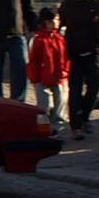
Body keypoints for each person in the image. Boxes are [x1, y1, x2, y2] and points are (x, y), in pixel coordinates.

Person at [59, 0, 99, 140]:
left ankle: (84, 116)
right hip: (74, 52)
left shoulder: (95, 5)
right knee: (74, 90)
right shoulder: (67, 5)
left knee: (95, 90)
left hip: (92, 52)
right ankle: (76, 125)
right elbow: (60, 25)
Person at [27, 8, 70, 136]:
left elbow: (66, 57)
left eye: (57, 19)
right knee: (43, 107)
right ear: (45, 22)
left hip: (59, 77)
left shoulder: (60, 38)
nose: (55, 23)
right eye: (52, 21)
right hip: (42, 77)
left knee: (60, 106)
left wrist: (65, 72)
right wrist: (35, 78)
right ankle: (43, 132)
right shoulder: (38, 39)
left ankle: (59, 131)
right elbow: (33, 60)